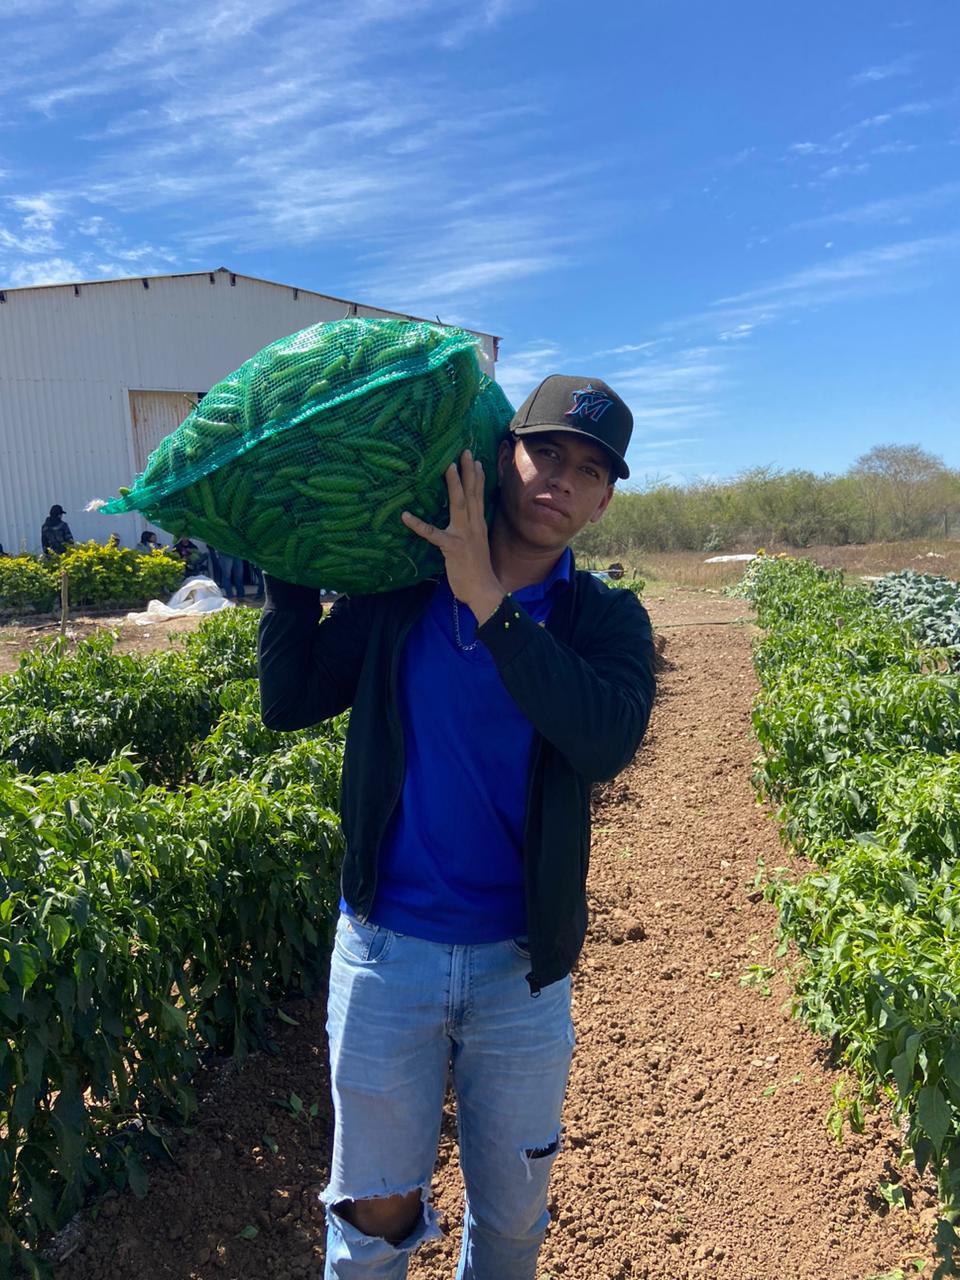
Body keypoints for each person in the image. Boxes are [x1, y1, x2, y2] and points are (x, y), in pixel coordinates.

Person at [258, 374, 656, 1280]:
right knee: (373, 1219)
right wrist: (280, 557)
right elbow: (291, 701)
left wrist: (488, 601)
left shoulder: (605, 621)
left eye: (590, 469)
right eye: (545, 450)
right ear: (500, 455)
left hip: (520, 973)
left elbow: (602, 741)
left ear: (602, 500)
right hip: (385, 958)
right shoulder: (402, 597)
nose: (562, 478)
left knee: (513, 1220)